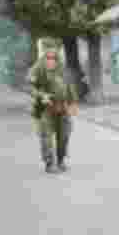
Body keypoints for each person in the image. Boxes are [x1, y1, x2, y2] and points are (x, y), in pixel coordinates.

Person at [28, 45, 78, 173]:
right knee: (46, 138)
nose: (50, 61)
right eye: (48, 58)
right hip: (46, 108)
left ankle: (61, 160)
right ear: (44, 59)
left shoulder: (63, 70)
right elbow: (31, 87)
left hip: (63, 108)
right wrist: (41, 95)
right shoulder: (39, 69)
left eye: (53, 59)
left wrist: (73, 104)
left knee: (64, 136)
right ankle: (49, 163)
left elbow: (70, 87)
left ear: (57, 60)